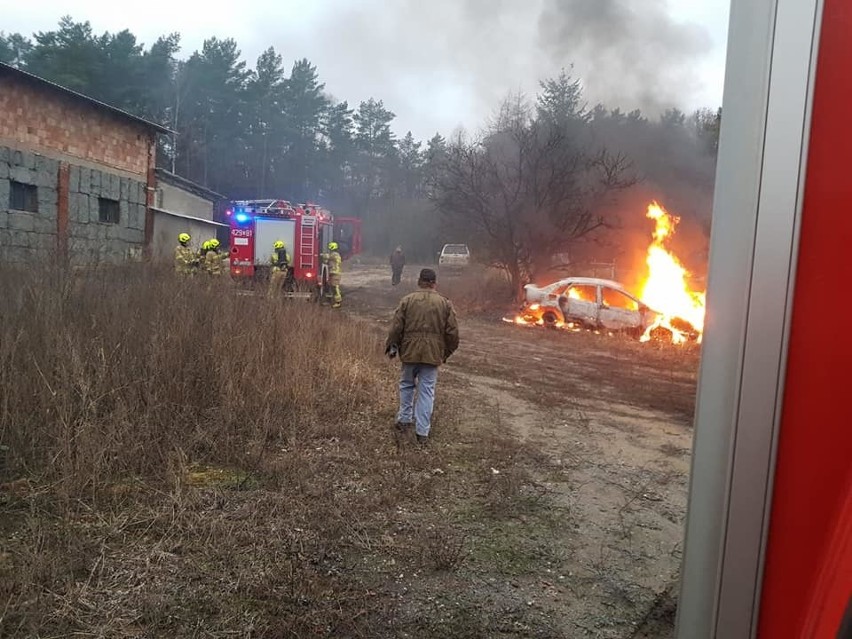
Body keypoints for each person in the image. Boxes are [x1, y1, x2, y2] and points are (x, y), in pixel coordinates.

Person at [385, 268, 459, 444]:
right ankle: (422, 432)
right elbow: (453, 334)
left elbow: (396, 328)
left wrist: (392, 346)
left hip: (409, 352)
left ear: (419, 281)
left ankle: (404, 420)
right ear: (434, 283)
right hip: (433, 355)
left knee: (406, 386)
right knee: (426, 392)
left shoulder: (407, 301)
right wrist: (445, 353)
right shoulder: (445, 303)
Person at [324, 241, 343, 308]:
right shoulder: (334, 255)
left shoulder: (335, 254)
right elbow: (327, 261)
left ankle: (338, 302)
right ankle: (331, 300)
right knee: (331, 286)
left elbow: (327, 257)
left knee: (335, 287)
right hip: (333, 273)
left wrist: (321, 255)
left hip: (335, 273)